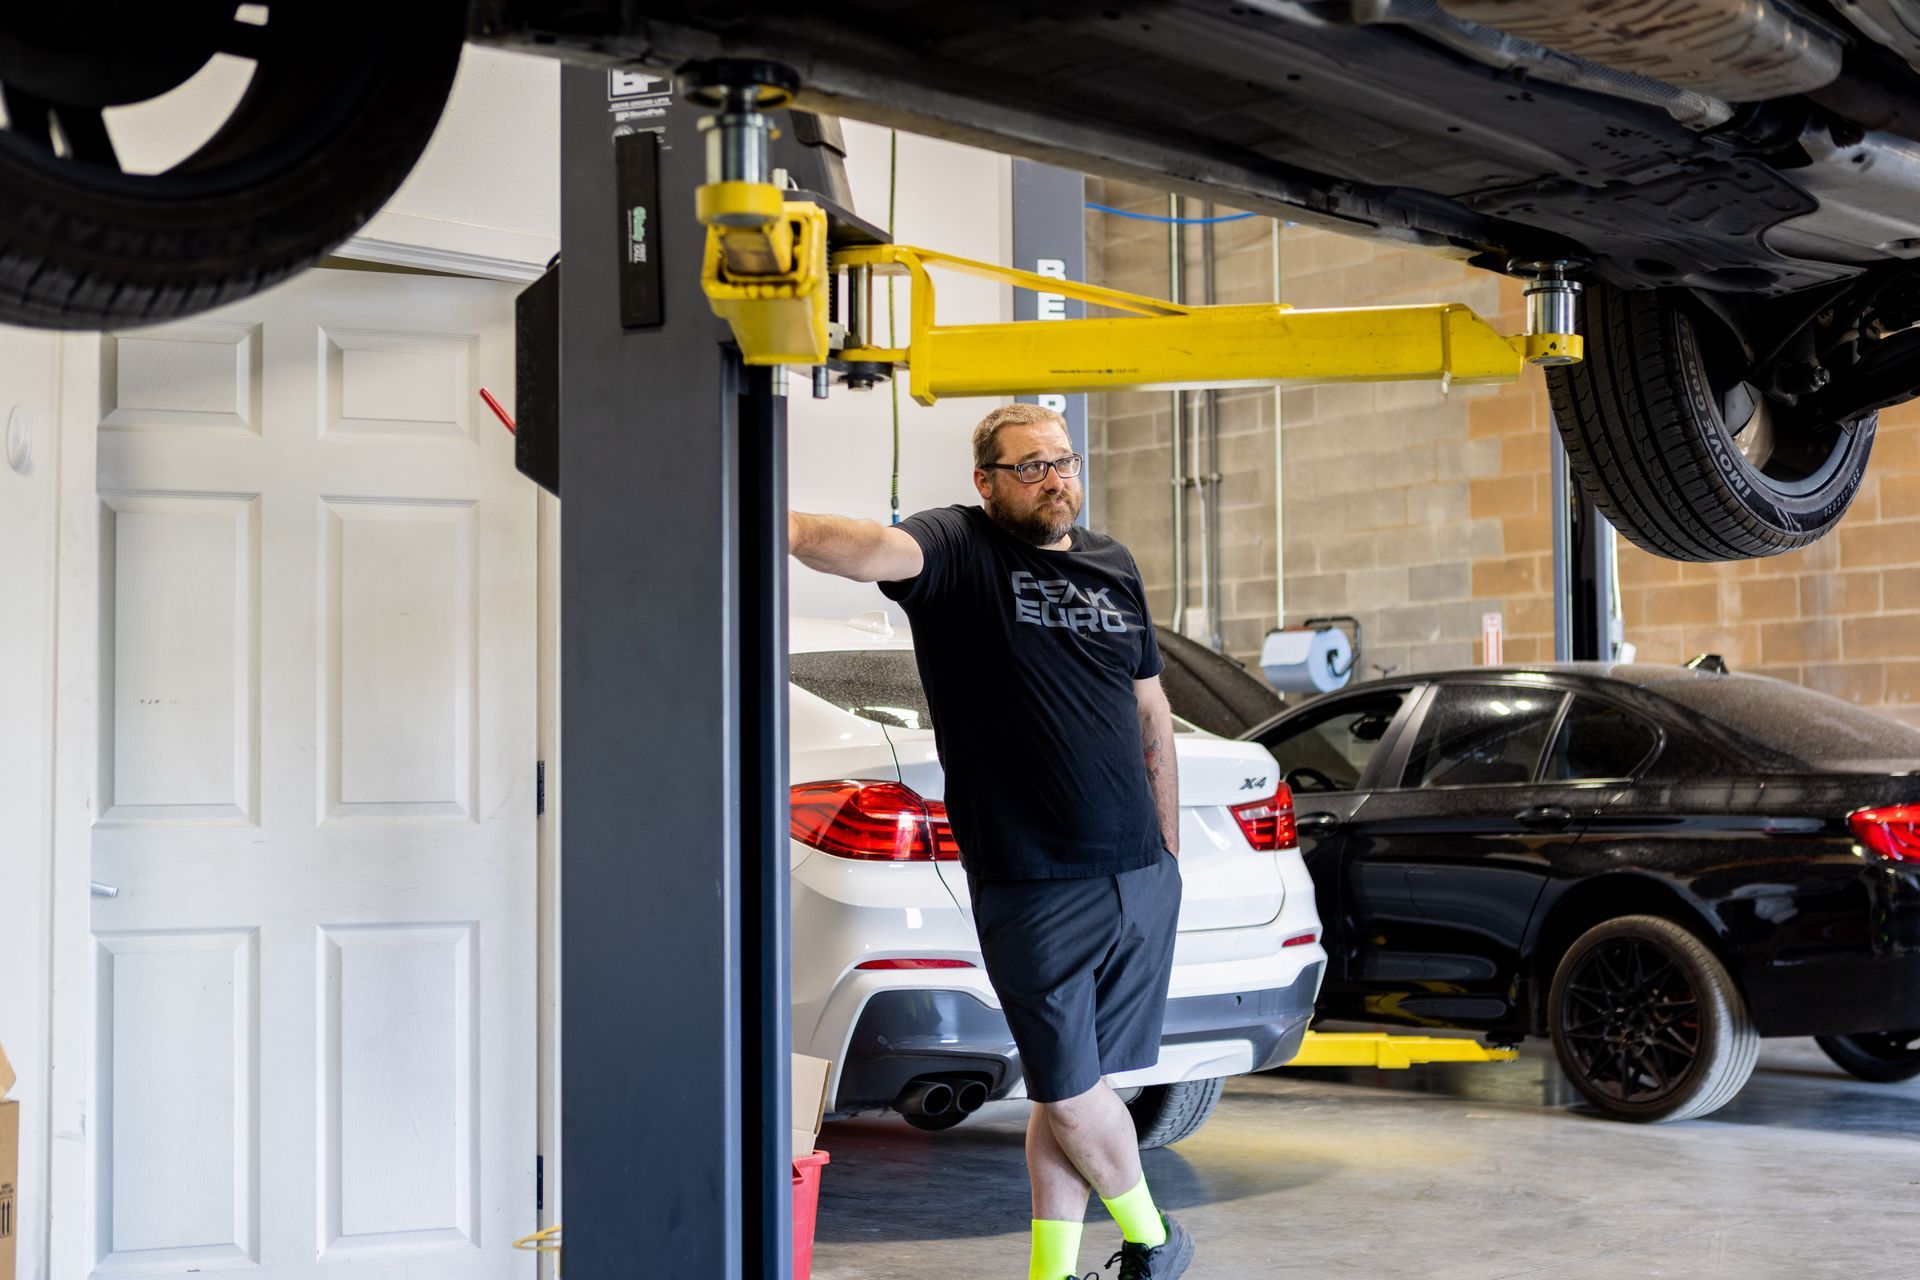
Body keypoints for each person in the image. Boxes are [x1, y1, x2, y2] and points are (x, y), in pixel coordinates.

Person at [789, 403, 1193, 1280]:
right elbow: (867, 548)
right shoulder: (959, 548)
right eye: (1031, 467)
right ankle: (1157, 1243)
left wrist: (1167, 852)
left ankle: (1051, 1275)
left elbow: (1148, 705)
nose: (1056, 479)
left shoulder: (1112, 563)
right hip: (1034, 878)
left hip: (1139, 875)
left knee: (1073, 1090)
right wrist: (773, 521)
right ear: (986, 481)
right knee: (1072, 1090)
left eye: (1064, 461)